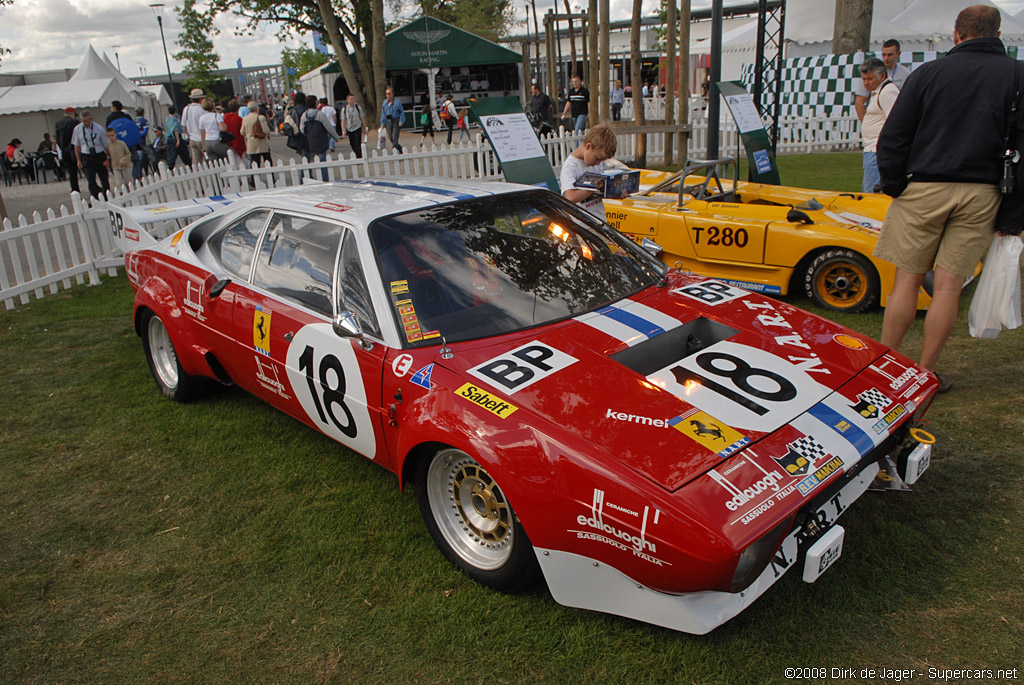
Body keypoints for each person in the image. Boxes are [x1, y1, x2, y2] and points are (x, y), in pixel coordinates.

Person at [874, 5, 1022, 392]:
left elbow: (893, 136)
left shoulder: (929, 73)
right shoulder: (1017, 75)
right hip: (983, 190)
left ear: (957, 34)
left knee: (905, 282)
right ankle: (925, 372)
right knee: (948, 287)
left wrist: (894, 184)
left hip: (925, 185)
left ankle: (885, 364)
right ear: (997, 33)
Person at [559, 124, 618, 219]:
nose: (598, 163)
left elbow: (597, 192)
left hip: (600, 218)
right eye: (597, 159)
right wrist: (593, 187)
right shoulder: (570, 167)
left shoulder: (595, 164)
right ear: (588, 146)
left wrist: (616, 192)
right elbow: (571, 197)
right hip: (582, 224)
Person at [858, 58, 898, 194]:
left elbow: (896, 121)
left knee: (872, 195)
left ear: (882, 76)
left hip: (877, 151)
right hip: (872, 150)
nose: (866, 83)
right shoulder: (878, 91)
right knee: (867, 192)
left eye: (869, 79)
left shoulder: (887, 92)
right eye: (864, 79)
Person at [855, 39, 912, 121]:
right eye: (883, 55)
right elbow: (859, 102)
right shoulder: (873, 71)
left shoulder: (906, 73)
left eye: (890, 55)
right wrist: (865, 123)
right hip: (876, 120)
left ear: (898, 54)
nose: (886, 58)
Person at [70, 111, 110, 198]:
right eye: (84, 121)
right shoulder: (77, 129)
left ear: (91, 119)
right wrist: (79, 160)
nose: (86, 123)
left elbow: (106, 145)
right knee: (90, 180)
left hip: (99, 155)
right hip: (86, 156)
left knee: (104, 179)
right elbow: (76, 146)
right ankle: (95, 197)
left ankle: (106, 196)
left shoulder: (99, 129)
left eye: (88, 121)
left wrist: (107, 158)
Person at [302, 94, 339, 180]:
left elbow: (302, 128)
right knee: (323, 161)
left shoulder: (304, 116)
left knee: (308, 161)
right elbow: (328, 127)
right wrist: (336, 137)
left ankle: (308, 178)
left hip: (310, 141)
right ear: (315, 103)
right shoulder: (320, 114)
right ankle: (324, 179)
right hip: (321, 140)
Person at [55, 107, 80, 193]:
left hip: (65, 151)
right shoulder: (75, 122)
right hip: (76, 149)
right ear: (72, 114)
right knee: (86, 170)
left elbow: (57, 139)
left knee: (72, 173)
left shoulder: (58, 123)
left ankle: (75, 189)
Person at [240, 104, 272, 169]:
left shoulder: (245, 119)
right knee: (267, 161)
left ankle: (254, 178)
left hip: (251, 144)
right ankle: (271, 177)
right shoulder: (261, 118)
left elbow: (242, 132)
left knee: (254, 163)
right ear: (257, 109)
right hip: (262, 143)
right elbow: (266, 130)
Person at [181, 88, 207, 165]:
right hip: (201, 138)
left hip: (192, 139)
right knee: (208, 160)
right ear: (200, 99)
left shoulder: (186, 109)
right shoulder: (202, 109)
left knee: (196, 162)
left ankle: (198, 176)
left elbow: (183, 125)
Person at [339, 93, 367, 158]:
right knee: (352, 144)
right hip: (349, 128)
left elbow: (362, 118)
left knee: (357, 143)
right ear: (347, 100)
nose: (352, 100)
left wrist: (365, 128)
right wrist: (343, 131)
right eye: (351, 99)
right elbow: (343, 120)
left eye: (353, 99)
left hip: (357, 127)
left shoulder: (358, 108)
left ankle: (359, 156)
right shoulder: (344, 109)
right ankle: (358, 153)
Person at [222, 98, 246, 169]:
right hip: (238, 140)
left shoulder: (225, 117)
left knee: (233, 160)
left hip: (228, 141)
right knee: (244, 159)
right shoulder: (239, 119)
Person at [380, 86, 405, 153]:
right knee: (391, 138)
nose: (388, 95)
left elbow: (401, 112)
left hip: (395, 121)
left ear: (393, 94)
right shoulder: (385, 103)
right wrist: (382, 123)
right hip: (388, 122)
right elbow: (383, 113)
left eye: (389, 93)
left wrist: (401, 121)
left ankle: (395, 151)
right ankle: (399, 148)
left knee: (395, 138)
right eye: (386, 94)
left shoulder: (397, 102)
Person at [163, 105, 183, 169]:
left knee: (171, 153)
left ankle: (170, 165)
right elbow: (175, 129)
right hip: (174, 137)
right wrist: (178, 140)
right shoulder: (174, 119)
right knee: (178, 152)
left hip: (168, 137)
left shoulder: (167, 119)